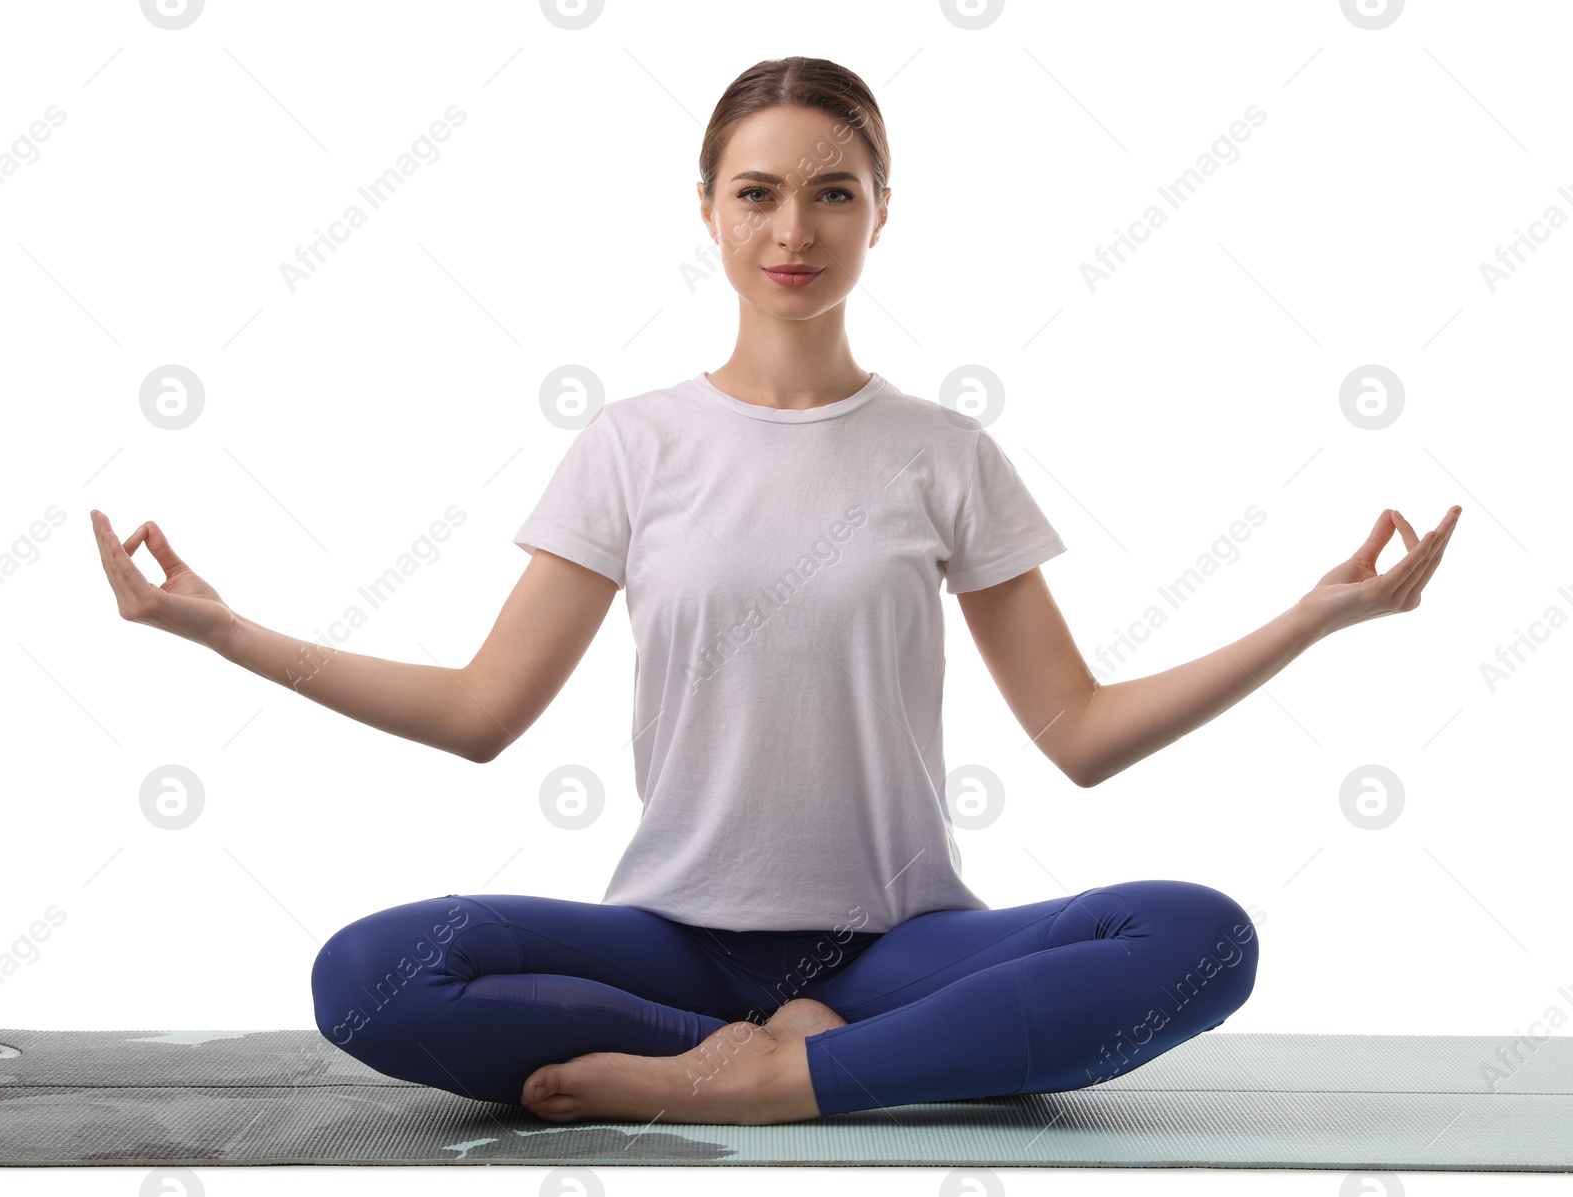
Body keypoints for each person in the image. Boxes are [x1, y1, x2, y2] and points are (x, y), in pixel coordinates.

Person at [90, 56, 1461, 1128]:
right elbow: (480, 710)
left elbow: (1080, 731)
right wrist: (228, 633)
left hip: (902, 943)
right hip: (672, 949)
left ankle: (761, 1078)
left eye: (833, 192)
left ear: (880, 211)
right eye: (757, 192)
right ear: (707, 209)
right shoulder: (634, 445)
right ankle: (828, 1065)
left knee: (1201, 938)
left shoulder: (942, 452)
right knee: (367, 973)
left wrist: (1309, 618)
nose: (793, 229)